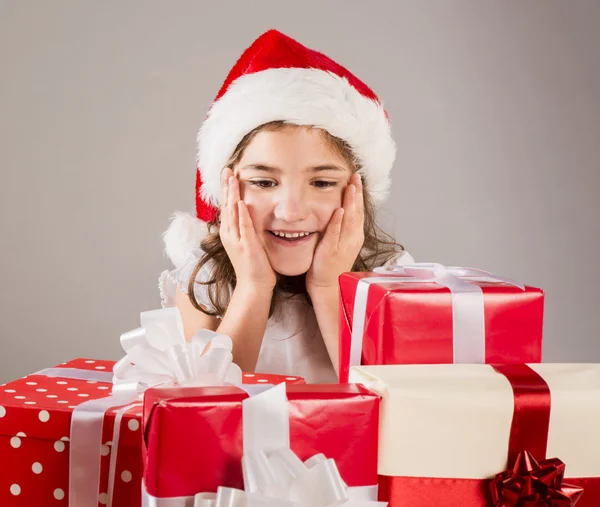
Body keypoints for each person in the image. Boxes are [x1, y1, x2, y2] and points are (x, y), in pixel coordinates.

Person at [159, 29, 414, 383]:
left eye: (322, 183)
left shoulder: (389, 276)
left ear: (357, 192)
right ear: (227, 189)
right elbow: (205, 403)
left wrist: (329, 286)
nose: (291, 212)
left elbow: (392, 398)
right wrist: (252, 285)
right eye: (264, 182)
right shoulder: (204, 279)